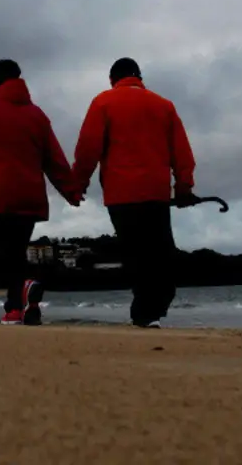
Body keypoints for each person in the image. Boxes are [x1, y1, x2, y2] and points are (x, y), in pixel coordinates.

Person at [70, 57, 198, 329]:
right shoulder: (164, 105)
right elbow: (181, 150)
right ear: (139, 77)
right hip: (156, 191)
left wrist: (78, 183)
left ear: (112, 80)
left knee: (135, 253)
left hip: (120, 193)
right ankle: (153, 309)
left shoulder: (103, 102)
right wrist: (184, 185)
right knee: (159, 252)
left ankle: (144, 312)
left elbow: (88, 148)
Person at [0, 59, 80, 326]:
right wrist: (71, 191)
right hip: (29, 194)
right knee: (16, 250)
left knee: (5, 252)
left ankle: (22, 293)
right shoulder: (38, 116)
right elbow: (54, 159)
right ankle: (18, 307)